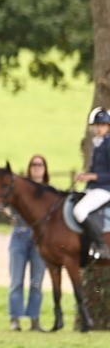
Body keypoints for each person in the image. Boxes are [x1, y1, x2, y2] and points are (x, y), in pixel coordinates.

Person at [7, 155, 49, 331]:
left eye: (40, 165)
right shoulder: (20, 189)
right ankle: (15, 319)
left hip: (40, 240)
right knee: (16, 280)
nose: (37, 167)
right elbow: (8, 206)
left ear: (45, 169)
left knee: (37, 281)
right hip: (20, 235)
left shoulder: (50, 192)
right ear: (29, 167)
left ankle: (34, 319)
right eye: (34, 164)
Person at [75, 107, 110, 261]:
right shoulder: (99, 144)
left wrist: (91, 176)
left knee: (79, 211)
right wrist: (85, 177)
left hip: (105, 189)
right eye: (96, 125)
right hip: (94, 188)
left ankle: (101, 246)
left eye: (101, 125)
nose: (98, 128)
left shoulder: (108, 145)